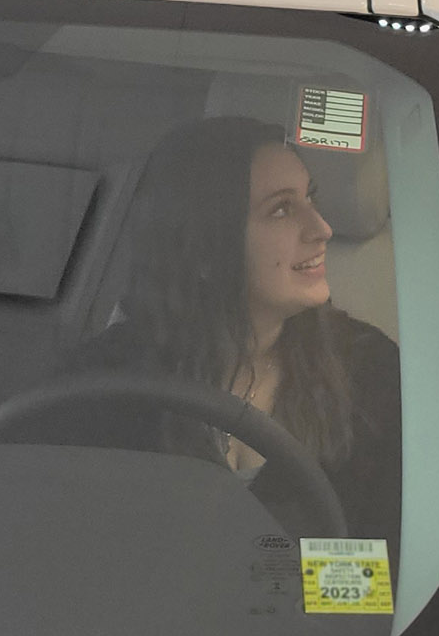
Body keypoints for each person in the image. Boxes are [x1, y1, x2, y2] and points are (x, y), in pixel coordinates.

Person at [57, 115, 402, 542]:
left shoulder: (370, 373)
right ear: (204, 248)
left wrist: (300, 584)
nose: (322, 229)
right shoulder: (102, 386)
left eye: (310, 199)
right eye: (281, 209)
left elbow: (386, 562)